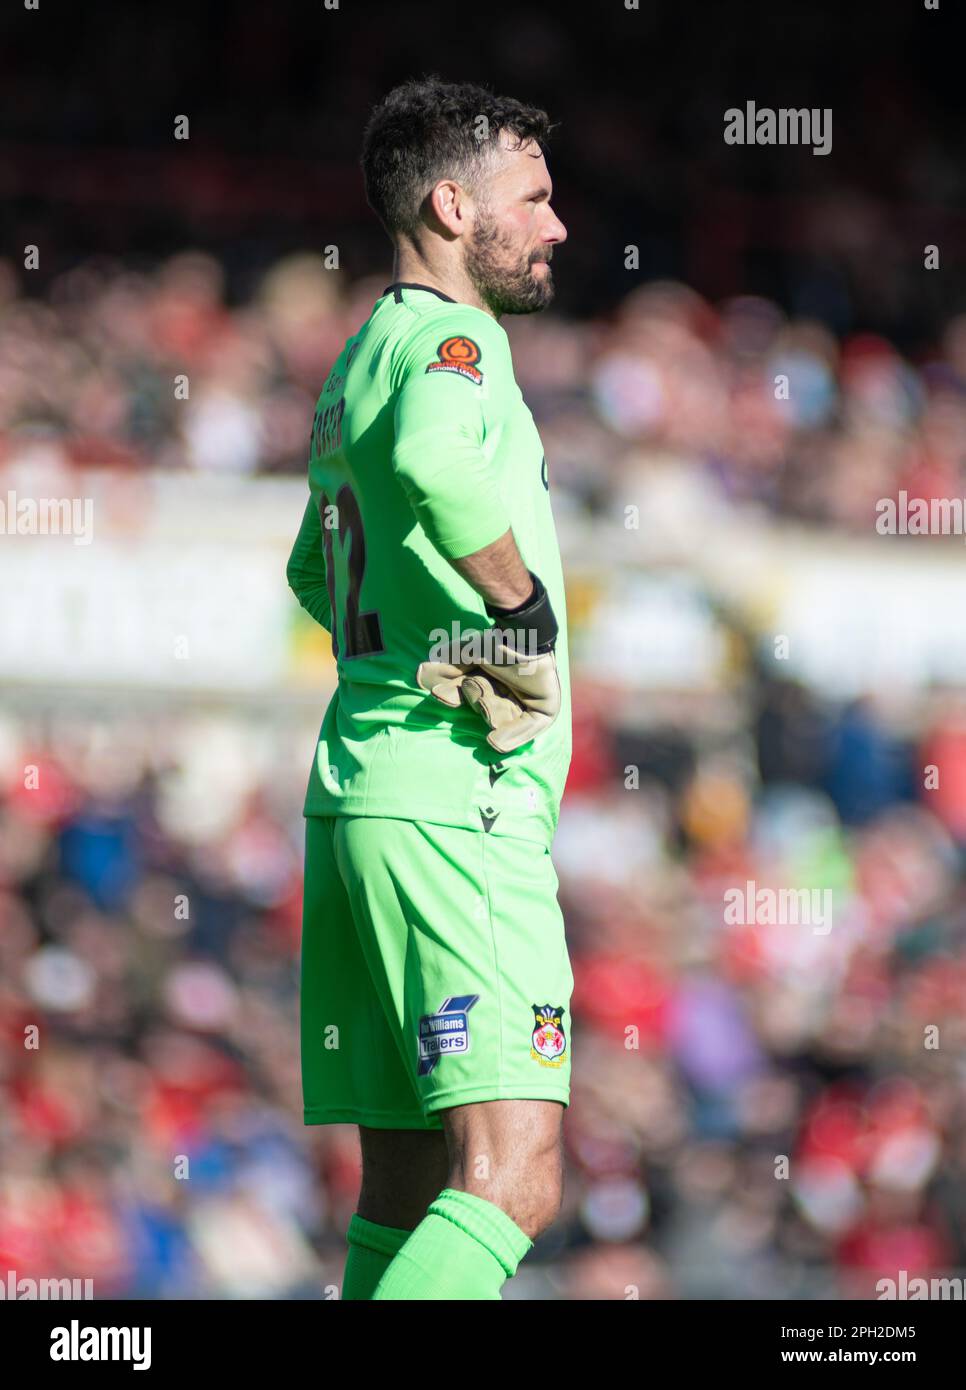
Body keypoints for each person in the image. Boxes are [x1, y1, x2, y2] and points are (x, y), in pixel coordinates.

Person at [286, 74, 572, 1300]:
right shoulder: (457, 347)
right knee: (513, 1175)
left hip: (360, 796)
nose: (559, 224)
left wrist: (416, 651)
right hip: (464, 799)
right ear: (457, 207)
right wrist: (518, 613)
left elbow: (313, 570)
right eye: (537, 197)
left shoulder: (359, 357)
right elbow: (434, 462)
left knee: (406, 1189)